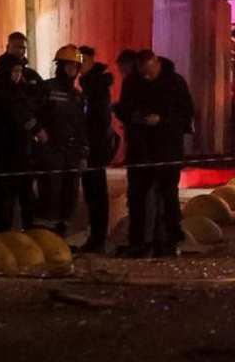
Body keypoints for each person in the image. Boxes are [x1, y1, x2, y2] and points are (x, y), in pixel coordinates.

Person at [114, 50, 195, 258]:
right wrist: (135, 117)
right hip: (140, 150)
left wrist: (162, 119)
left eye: (149, 71)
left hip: (167, 148)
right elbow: (125, 108)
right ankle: (138, 241)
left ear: (156, 63)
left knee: (168, 196)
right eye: (143, 72)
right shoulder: (133, 82)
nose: (147, 76)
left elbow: (186, 113)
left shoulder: (174, 83)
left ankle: (169, 240)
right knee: (137, 197)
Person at [0, 36, 44, 233]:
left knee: (26, 187)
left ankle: (30, 229)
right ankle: (1, 230)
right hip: (1, 142)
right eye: (17, 47)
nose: (20, 51)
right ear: (7, 47)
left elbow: (41, 101)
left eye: (23, 48)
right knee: (3, 186)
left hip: (25, 142)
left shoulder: (31, 76)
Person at [34, 44, 90, 236]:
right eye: (68, 65)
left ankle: (60, 234)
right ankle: (45, 235)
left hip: (71, 152)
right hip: (51, 150)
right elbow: (31, 112)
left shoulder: (77, 96)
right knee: (50, 192)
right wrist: (38, 131)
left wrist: (83, 153)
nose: (72, 70)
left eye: (75, 66)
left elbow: (82, 127)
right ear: (60, 66)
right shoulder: (46, 88)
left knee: (70, 194)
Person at [78, 45, 116, 254]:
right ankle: (96, 237)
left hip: (95, 147)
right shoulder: (91, 84)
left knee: (96, 193)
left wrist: (89, 144)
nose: (80, 65)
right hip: (94, 145)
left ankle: (97, 239)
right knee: (93, 193)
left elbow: (98, 120)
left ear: (91, 61)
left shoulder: (95, 87)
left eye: (83, 61)